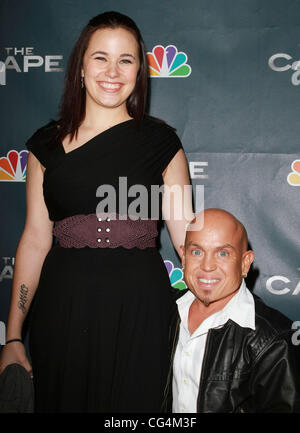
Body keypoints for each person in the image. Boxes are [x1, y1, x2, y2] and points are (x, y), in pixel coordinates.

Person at [0, 11, 193, 412]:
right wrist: (14, 336)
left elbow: (188, 238)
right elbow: (36, 239)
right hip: (63, 309)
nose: (113, 70)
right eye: (100, 57)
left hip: (141, 309)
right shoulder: (45, 146)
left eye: (126, 59)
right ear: (81, 68)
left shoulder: (162, 143)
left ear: (139, 71)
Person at [162, 208, 300, 413]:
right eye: (197, 251)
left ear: (245, 263)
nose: (207, 266)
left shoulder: (274, 341)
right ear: (183, 256)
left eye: (223, 253)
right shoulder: (165, 311)